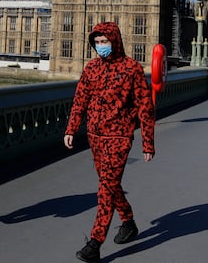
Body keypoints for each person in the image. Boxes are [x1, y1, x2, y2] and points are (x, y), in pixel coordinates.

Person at [63, 22, 155, 263]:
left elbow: (145, 107)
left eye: (105, 41)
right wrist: (71, 128)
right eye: (97, 42)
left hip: (119, 137)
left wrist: (148, 142)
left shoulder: (132, 69)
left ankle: (95, 243)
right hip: (95, 136)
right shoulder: (91, 68)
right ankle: (129, 222)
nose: (100, 46)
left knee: (105, 188)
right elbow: (80, 100)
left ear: (115, 40)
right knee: (111, 185)